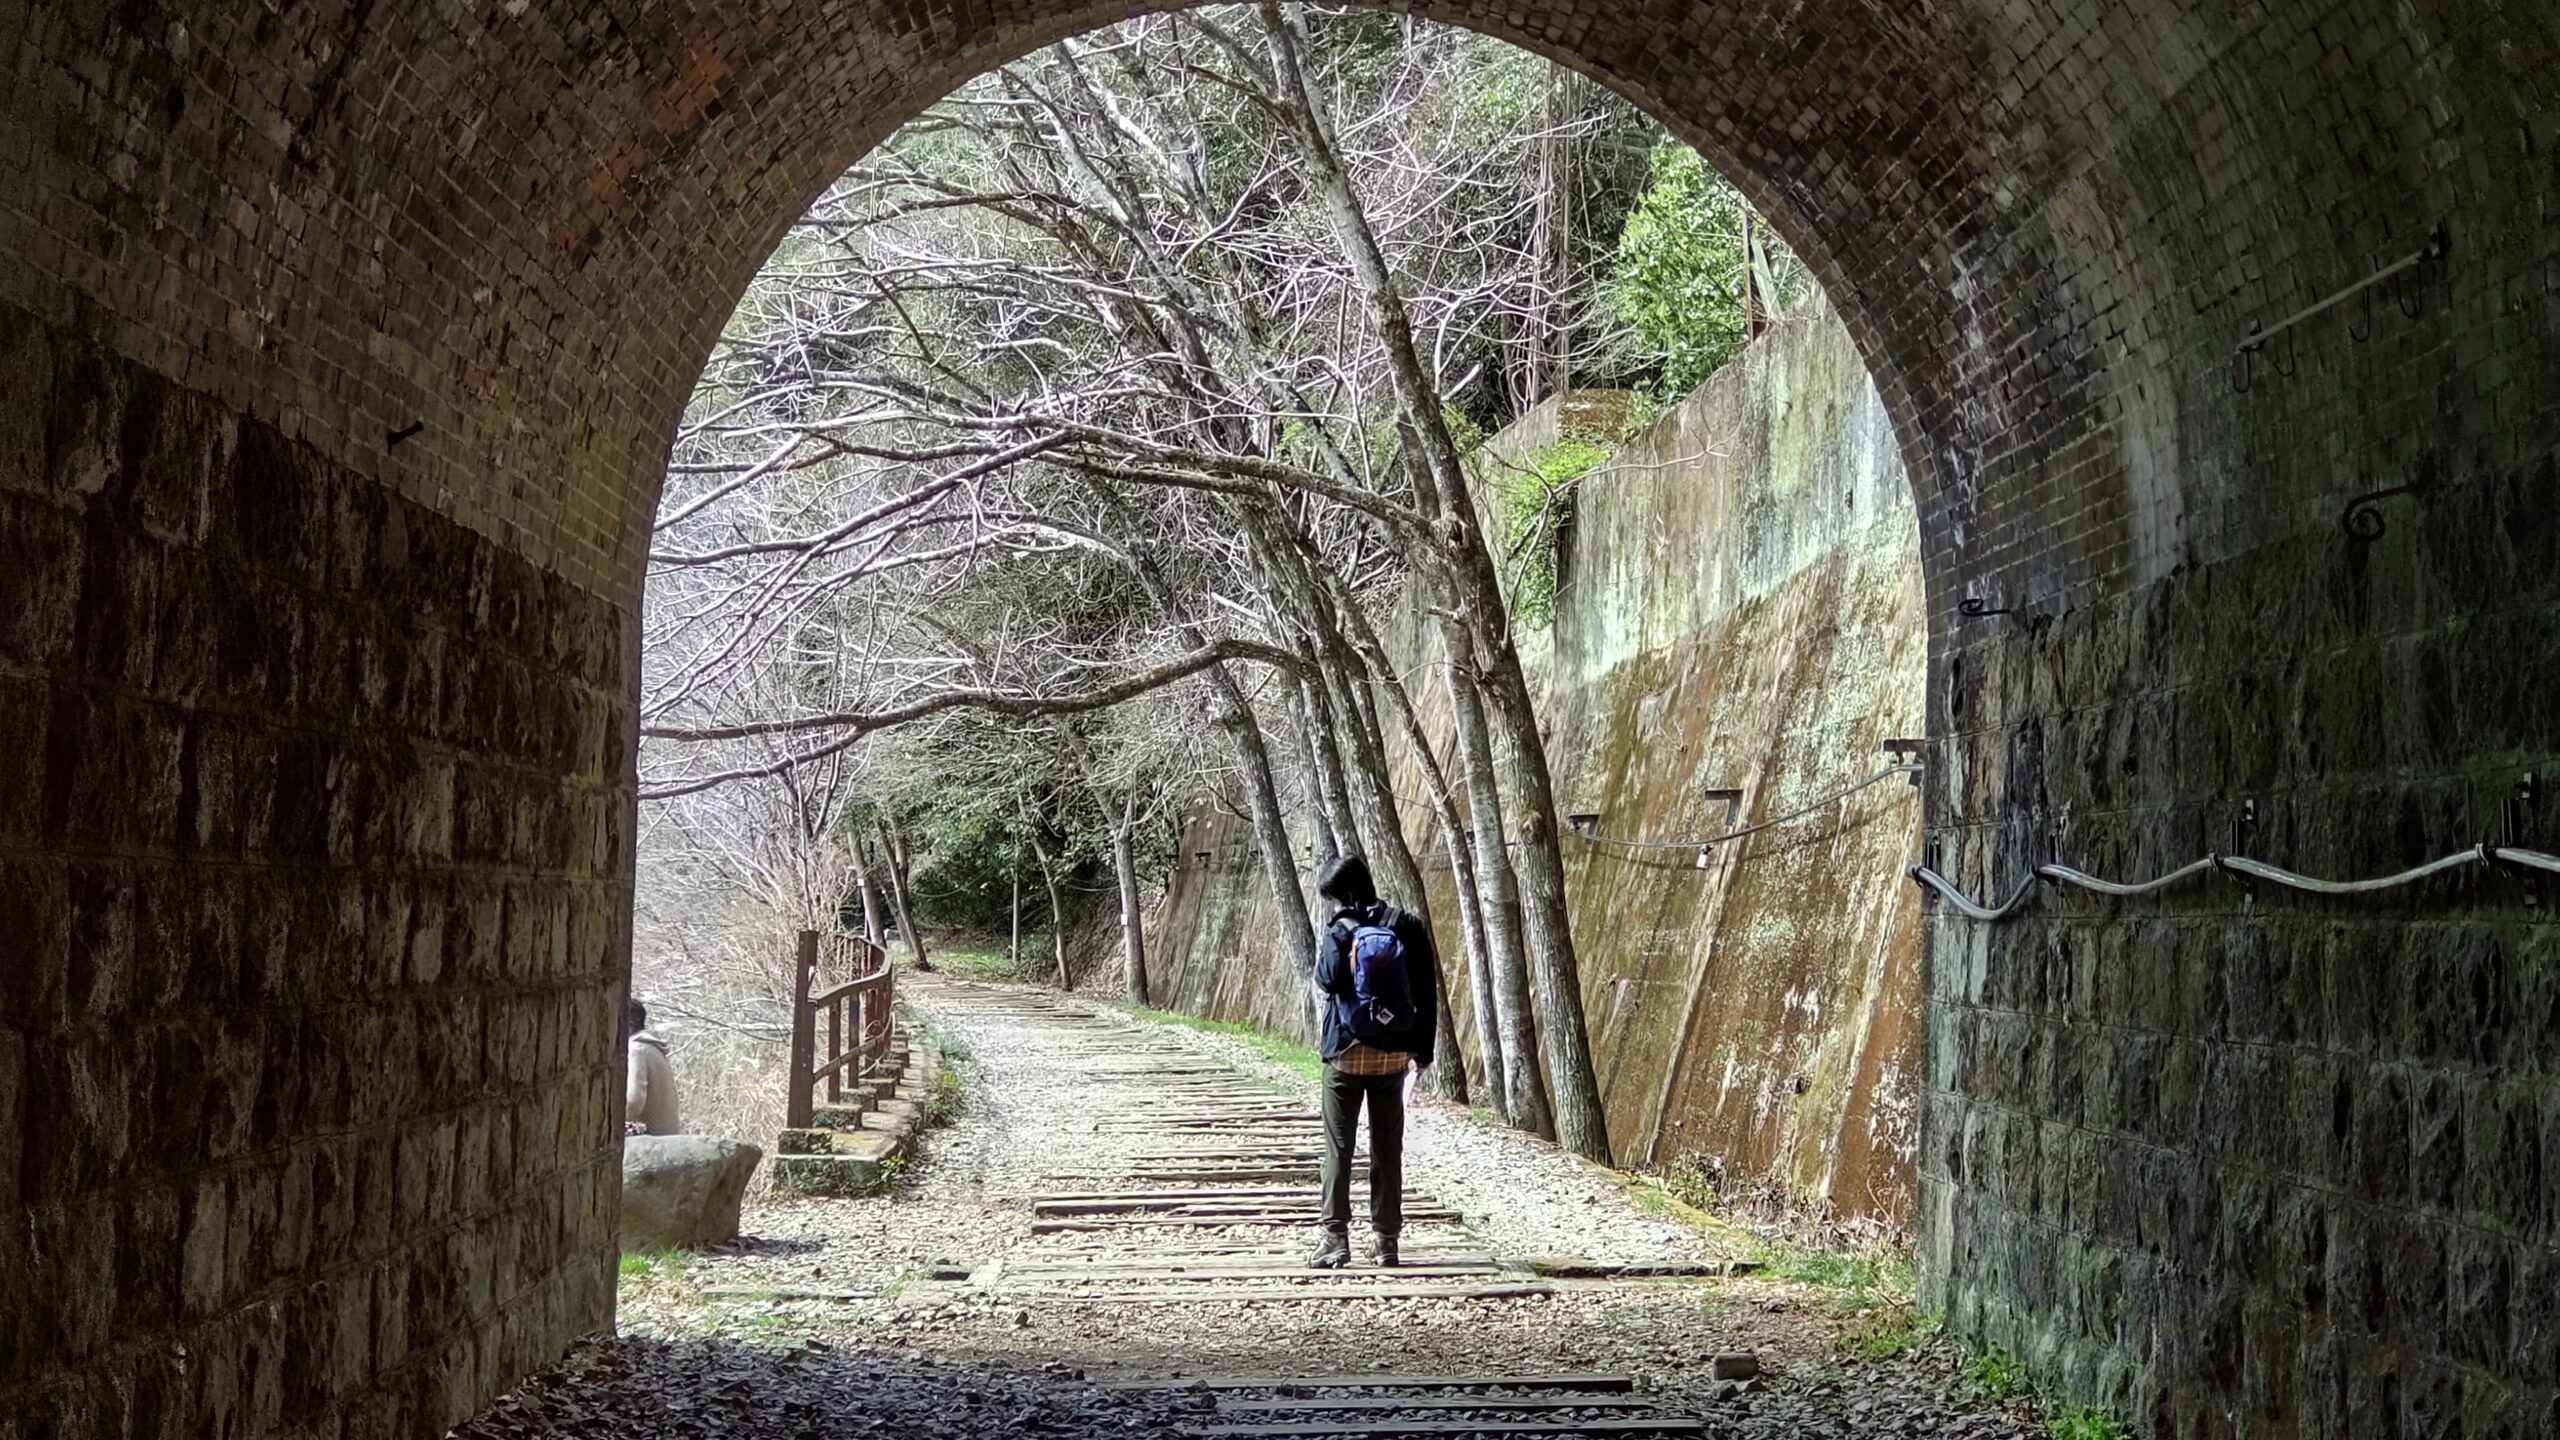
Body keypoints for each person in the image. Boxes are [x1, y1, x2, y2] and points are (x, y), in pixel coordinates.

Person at [1306, 853, 1437, 1269]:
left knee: (1338, 1147)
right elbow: (1427, 993)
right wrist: (1423, 1050)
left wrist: (1339, 937)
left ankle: (1335, 1240)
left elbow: (1326, 979)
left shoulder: (1340, 929)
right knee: (1387, 1147)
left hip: (1346, 1055)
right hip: (1394, 1054)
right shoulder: (1407, 925)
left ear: (1341, 894)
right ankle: (1386, 1243)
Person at [625, 997, 681, 1136]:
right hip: (667, 1138)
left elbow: (632, 1103)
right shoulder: (651, 1048)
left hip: (651, 1141)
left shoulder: (636, 1050)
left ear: (630, 1023)